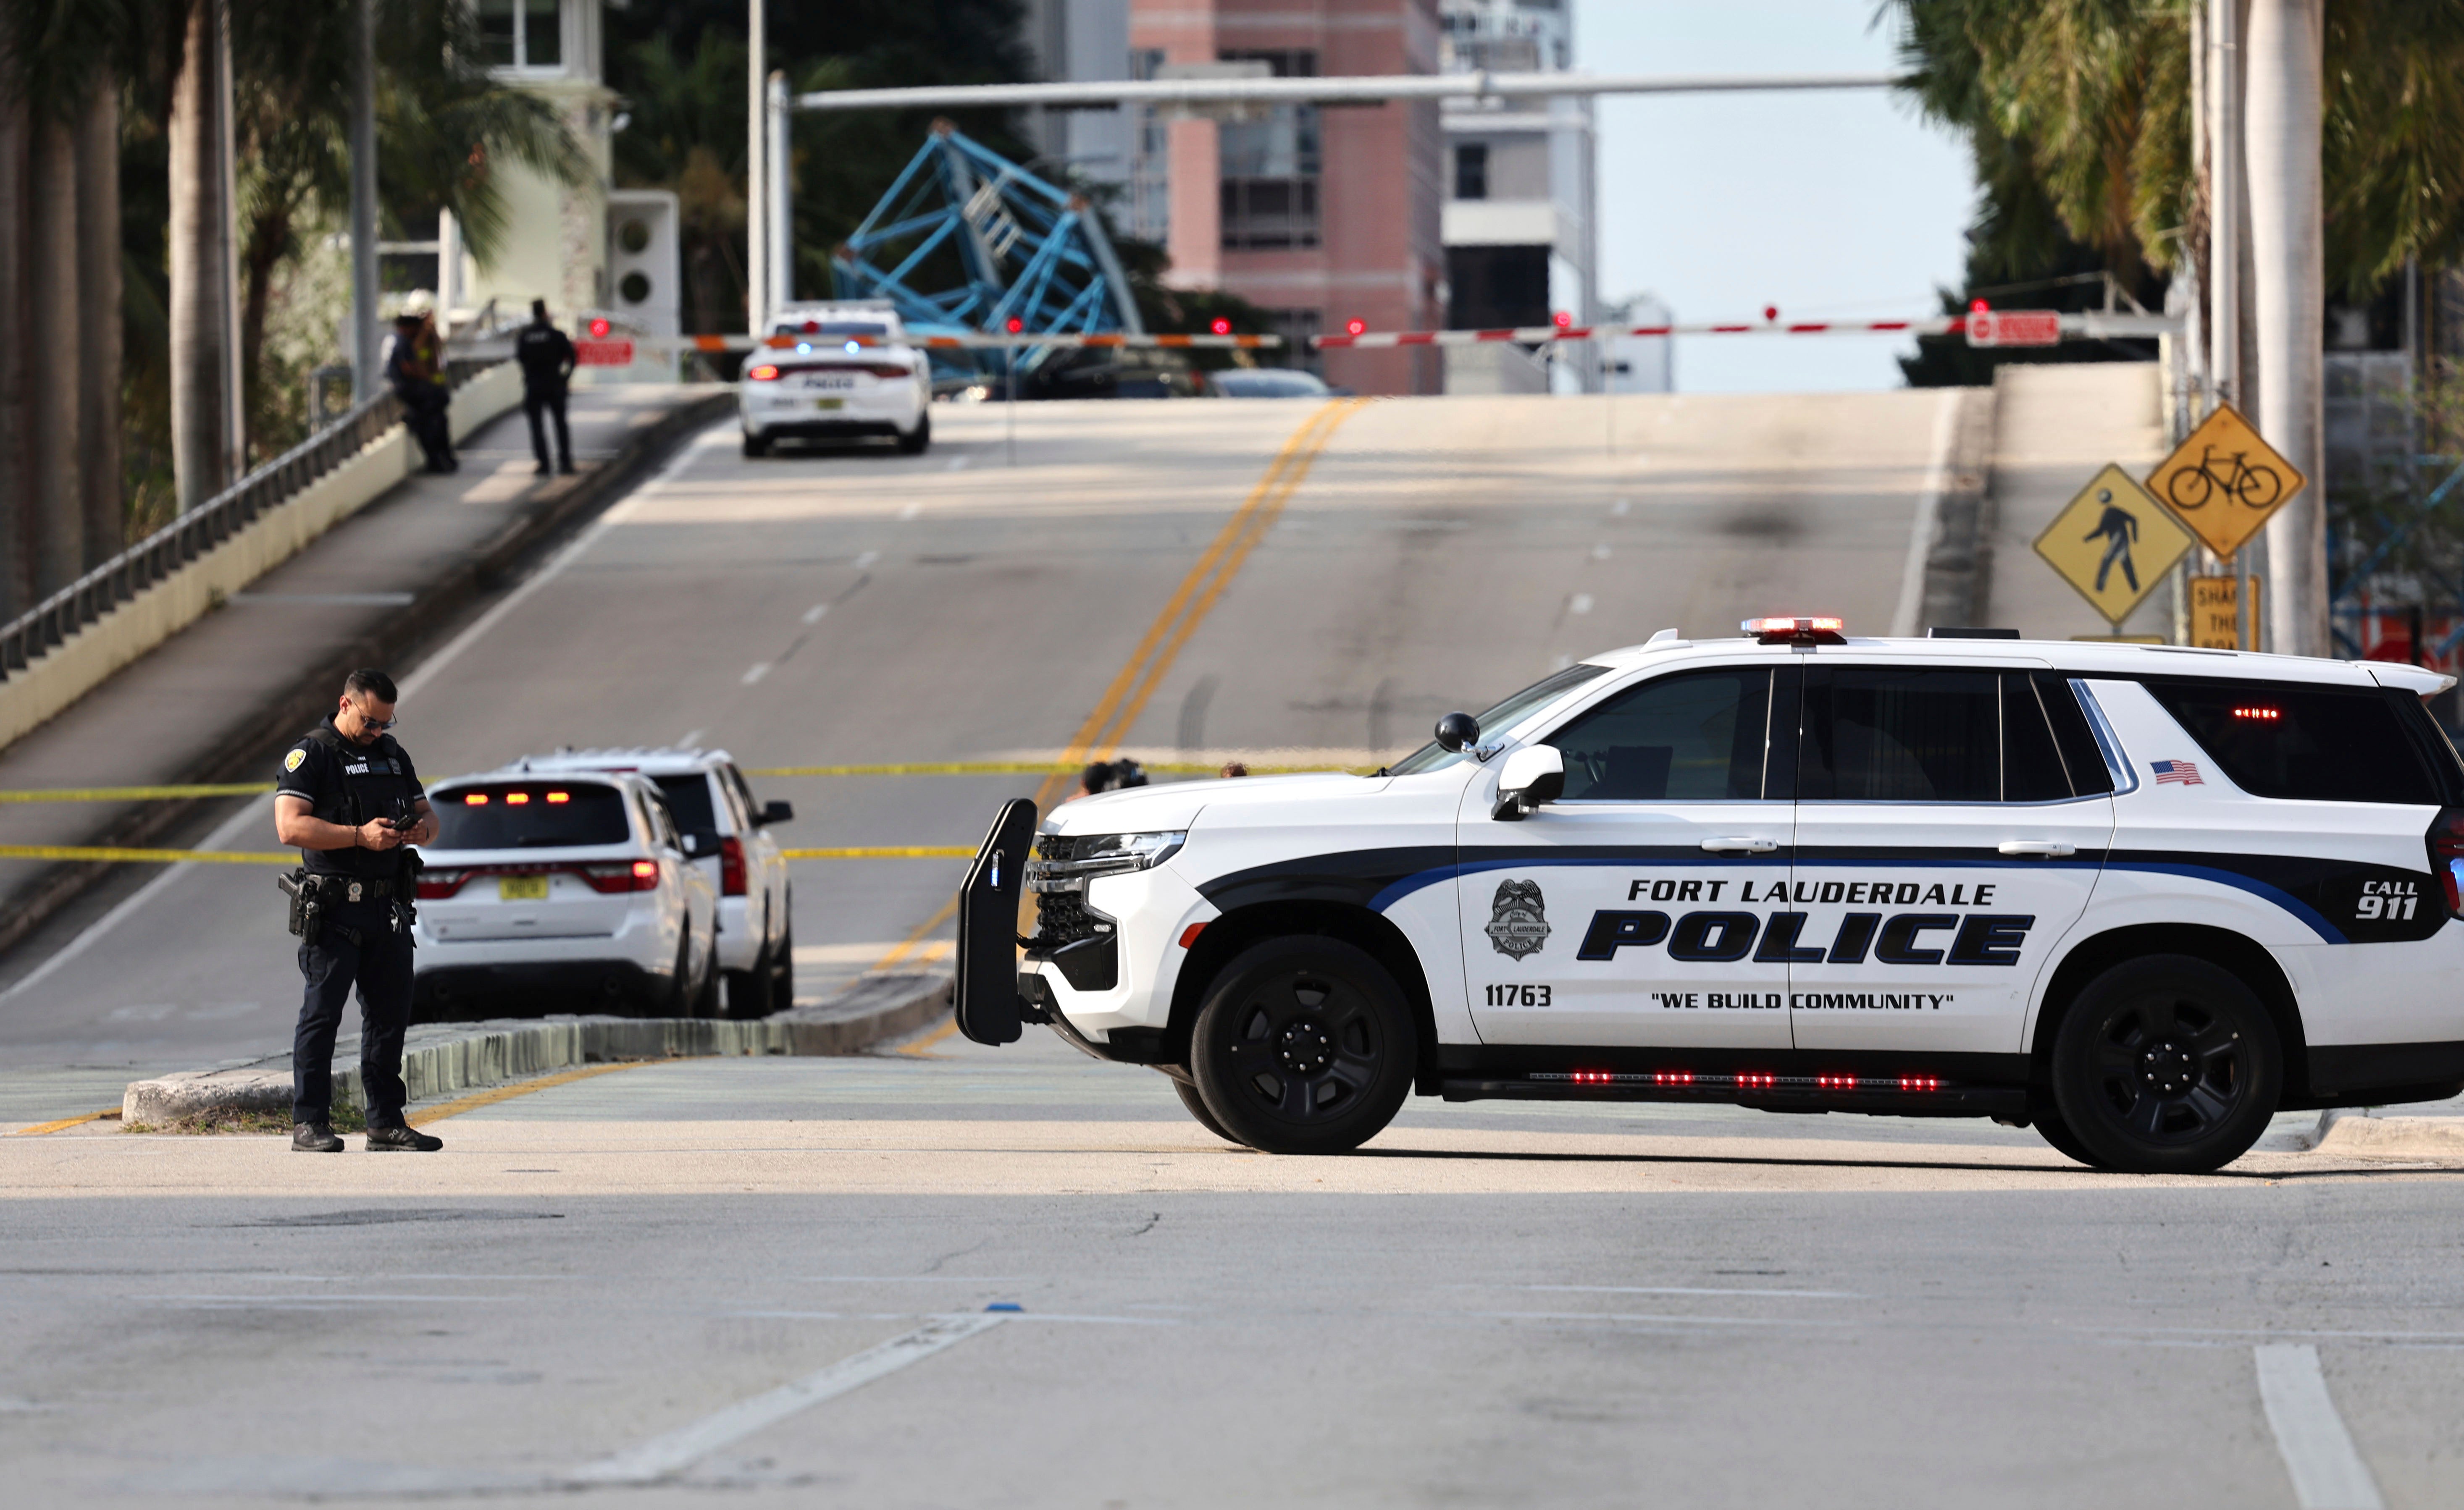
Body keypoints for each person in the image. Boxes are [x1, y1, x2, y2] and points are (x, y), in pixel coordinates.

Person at [273, 669, 443, 1153]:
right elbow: (289, 826)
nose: (377, 732)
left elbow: (430, 816)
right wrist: (358, 836)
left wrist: (419, 833)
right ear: (345, 705)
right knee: (322, 1015)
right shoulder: (313, 754)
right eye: (370, 722)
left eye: (386, 724)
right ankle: (310, 1122)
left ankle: (385, 1122)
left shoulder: (392, 755)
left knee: (390, 1015)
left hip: (386, 906)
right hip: (335, 910)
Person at [386, 303, 456, 473]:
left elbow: (408, 368)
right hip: (424, 393)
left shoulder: (405, 341)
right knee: (436, 427)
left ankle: (438, 462)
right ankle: (444, 461)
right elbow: (410, 367)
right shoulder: (406, 342)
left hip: (420, 395)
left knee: (428, 428)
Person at [513, 299, 577, 476]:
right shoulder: (556, 334)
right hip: (555, 384)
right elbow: (572, 356)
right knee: (560, 424)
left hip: (534, 386)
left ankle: (544, 464)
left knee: (537, 427)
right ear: (545, 313)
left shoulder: (525, 336)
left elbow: (520, 358)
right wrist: (565, 377)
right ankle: (565, 463)